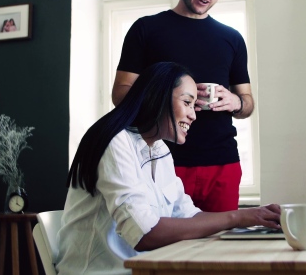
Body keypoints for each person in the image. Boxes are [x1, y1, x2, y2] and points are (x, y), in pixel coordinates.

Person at [56, 62, 280, 275]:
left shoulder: (160, 151)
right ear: (158, 96)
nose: (193, 115)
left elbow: (189, 215)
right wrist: (237, 218)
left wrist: (252, 217)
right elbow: (145, 234)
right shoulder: (115, 142)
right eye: (187, 102)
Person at [111, 0, 253, 212]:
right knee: (166, 248)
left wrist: (234, 101)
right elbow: (120, 94)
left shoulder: (232, 39)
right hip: (161, 159)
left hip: (222, 163)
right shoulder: (146, 29)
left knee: (221, 249)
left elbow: (247, 103)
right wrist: (168, 99)